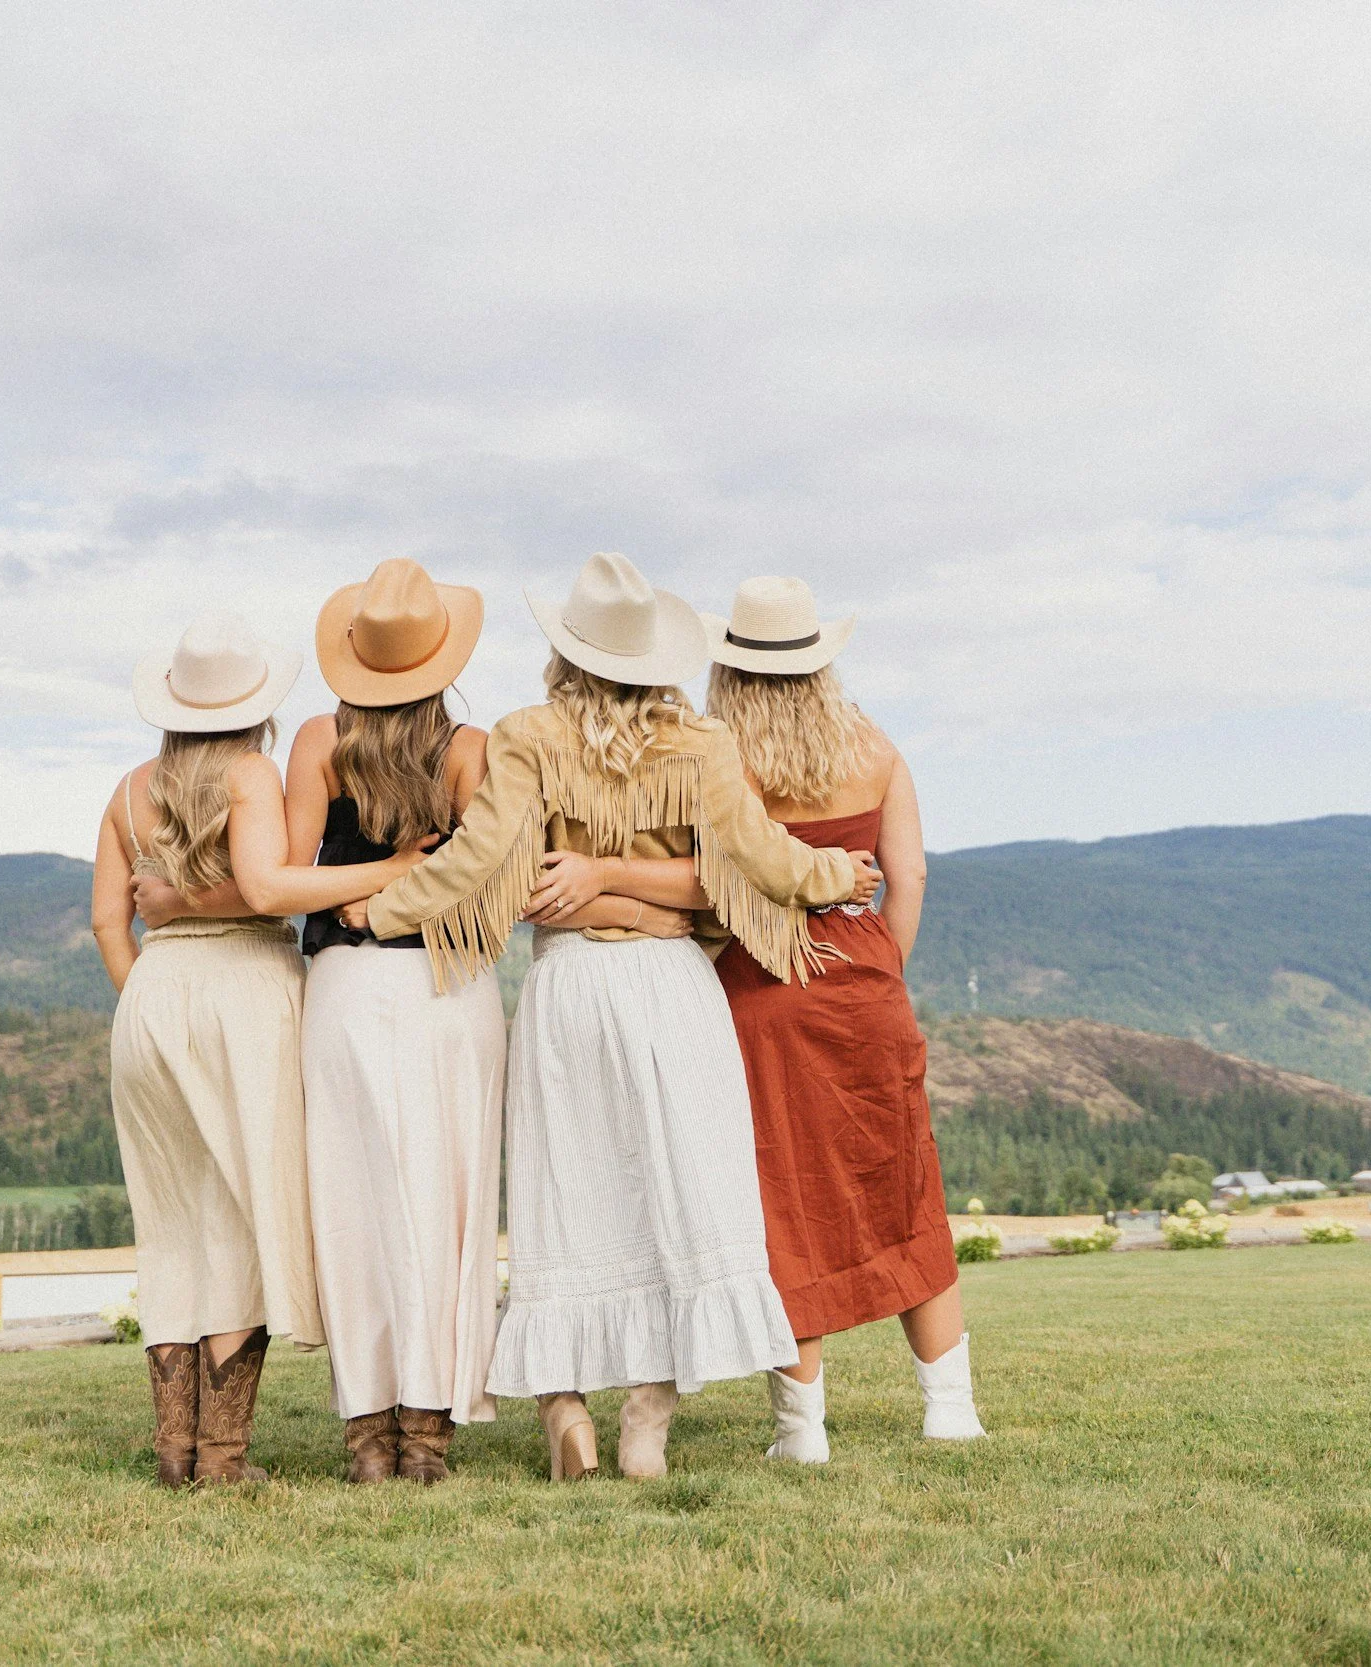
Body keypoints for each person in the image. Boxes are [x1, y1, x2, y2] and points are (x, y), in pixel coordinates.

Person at [360, 552, 880, 1481]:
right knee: (681, 1201)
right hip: (673, 987)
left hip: (571, 991)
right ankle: (648, 1416)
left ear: (567, 652)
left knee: (569, 1201)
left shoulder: (528, 736)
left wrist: (382, 911)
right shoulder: (699, 745)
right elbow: (760, 859)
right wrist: (838, 874)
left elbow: (476, 862)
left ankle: (568, 1408)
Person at [89, 611, 426, 1487]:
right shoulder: (249, 774)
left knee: (168, 1223)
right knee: (245, 1210)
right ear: (254, 709)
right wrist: (393, 872)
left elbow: (105, 919)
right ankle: (224, 1455)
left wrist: (153, 998)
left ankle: (175, 1449)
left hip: (155, 998)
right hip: (246, 992)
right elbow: (273, 887)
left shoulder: (127, 789)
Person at [702, 576, 983, 1460]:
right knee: (906, 1187)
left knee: (788, 1200)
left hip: (763, 990)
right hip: (866, 984)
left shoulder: (724, 761)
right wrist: (879, 965)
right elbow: (913, 878)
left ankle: (802, 1429)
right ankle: (949, 1407)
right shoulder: (876, 748)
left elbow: (713, 889)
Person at [283, 558, 506, 1483]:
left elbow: (285, 881)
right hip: (447, 989)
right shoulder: (469, 750)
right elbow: (492, 886)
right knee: (444, 1202)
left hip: (342, 989)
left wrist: (357, 895)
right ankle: (428, 1433)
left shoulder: (315, 743)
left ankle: (368, 1435)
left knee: (354, 1201)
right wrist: (404, 879)